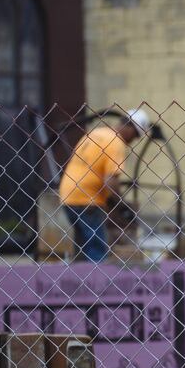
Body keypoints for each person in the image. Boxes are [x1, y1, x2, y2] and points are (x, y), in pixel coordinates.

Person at [58, 109, 150, 262]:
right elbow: (111, 181)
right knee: (97, 249)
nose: (132, 141)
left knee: (83, 247)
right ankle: (98, 284)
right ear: (130, 128)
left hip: (68, 196)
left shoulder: (96, 134)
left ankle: (81, 281)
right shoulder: (116, 143)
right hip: (87, 200)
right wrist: (122, 206)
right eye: (135, 136)